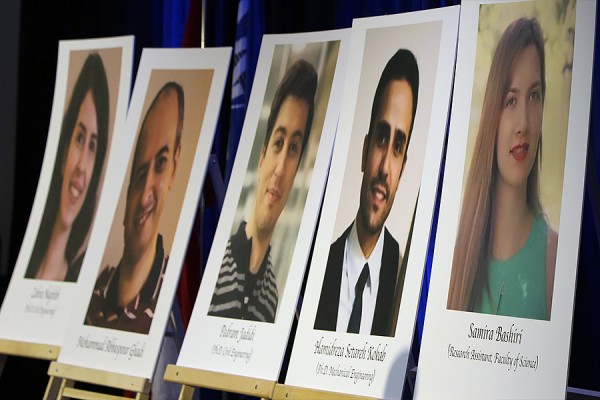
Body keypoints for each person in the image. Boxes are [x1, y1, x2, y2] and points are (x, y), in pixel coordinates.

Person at [446, 17, 558, 320]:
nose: (523, 123)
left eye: (534, 96)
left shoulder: (554, 257)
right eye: (510, 100)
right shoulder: (456, 256)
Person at [314, 49, 419, 336]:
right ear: (364, 150)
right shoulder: (319, 266)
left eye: (398, 147)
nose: (385, 166)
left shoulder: (405, 283)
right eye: (381, 138)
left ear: (403, 169)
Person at [208, 59, 318, 323]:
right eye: (279, 143)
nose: (280, 169)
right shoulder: (217, 267)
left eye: (293, 149)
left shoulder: (272, 298)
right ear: (262, 157)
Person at [85, 82, 184, 334]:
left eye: (161, 163)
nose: (143, 199)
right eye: (140, 175)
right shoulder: (96, 289)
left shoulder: (173, 294)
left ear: (174, 165)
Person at [25, 53, 109, 282]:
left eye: (92, 147)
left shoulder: (79, 283)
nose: (82, 166)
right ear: (63, 152)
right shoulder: (25, 263)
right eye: (80, 138)